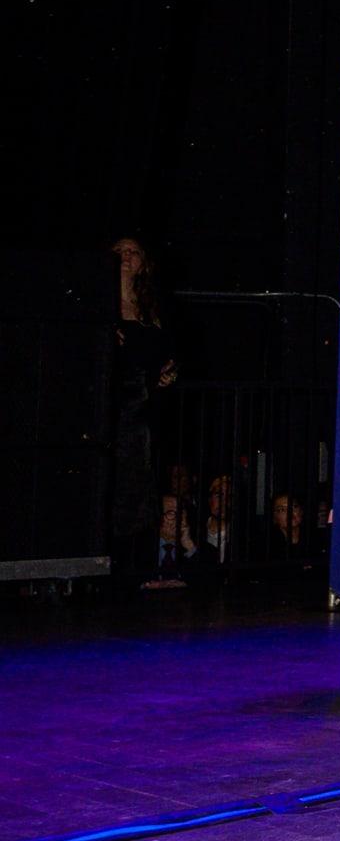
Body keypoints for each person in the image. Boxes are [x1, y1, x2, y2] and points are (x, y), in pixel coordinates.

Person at [107, 238, 178, 589]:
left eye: (133, 251)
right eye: (119, 251)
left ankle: (140, 568)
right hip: (113, 407)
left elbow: (169, 353)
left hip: (147, 407)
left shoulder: (152, 306)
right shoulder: (101, 303)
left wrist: (169, 372)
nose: (126, 257)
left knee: (143, 485)